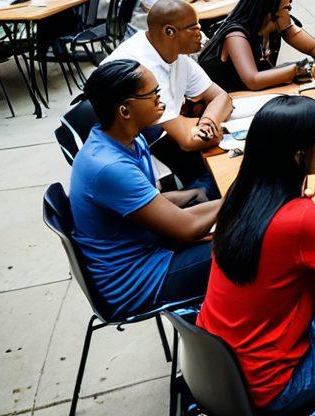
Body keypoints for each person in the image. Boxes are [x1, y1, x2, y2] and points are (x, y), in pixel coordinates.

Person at [198, 96, 315, 413]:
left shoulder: (240, 193)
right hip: (272, 388)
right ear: (300, 156)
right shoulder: (304, 222)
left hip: (222, 368)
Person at [69, 60, 221, 318]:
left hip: (154, 248)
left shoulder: (127, 138)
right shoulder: (110, 167)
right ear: (125, 111)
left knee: (214, 196)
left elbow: (152, 202)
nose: (160, 100)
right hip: (138, 281)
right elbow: (186, 228)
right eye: (153, 95)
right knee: (248, 245)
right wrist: (247, 189)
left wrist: (199, 196)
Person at [103, 0, 232, 187]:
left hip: (158, 141)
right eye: (194, 28)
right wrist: (211, 127)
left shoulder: (175, 55)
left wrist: (208, 122)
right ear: (169, 32)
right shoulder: (143, 69)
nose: (201, 34)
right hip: (134, 160)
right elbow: (188, 140)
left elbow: (222, 97)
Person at [198, 0, 315, 93]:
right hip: (228, 97)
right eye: (286, 8)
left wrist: (289, 32)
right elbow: (253, 80)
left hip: (248, 91)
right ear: (268, 12)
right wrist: (305, 70)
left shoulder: (276, 26)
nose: (289, 12)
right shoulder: (235, 36)